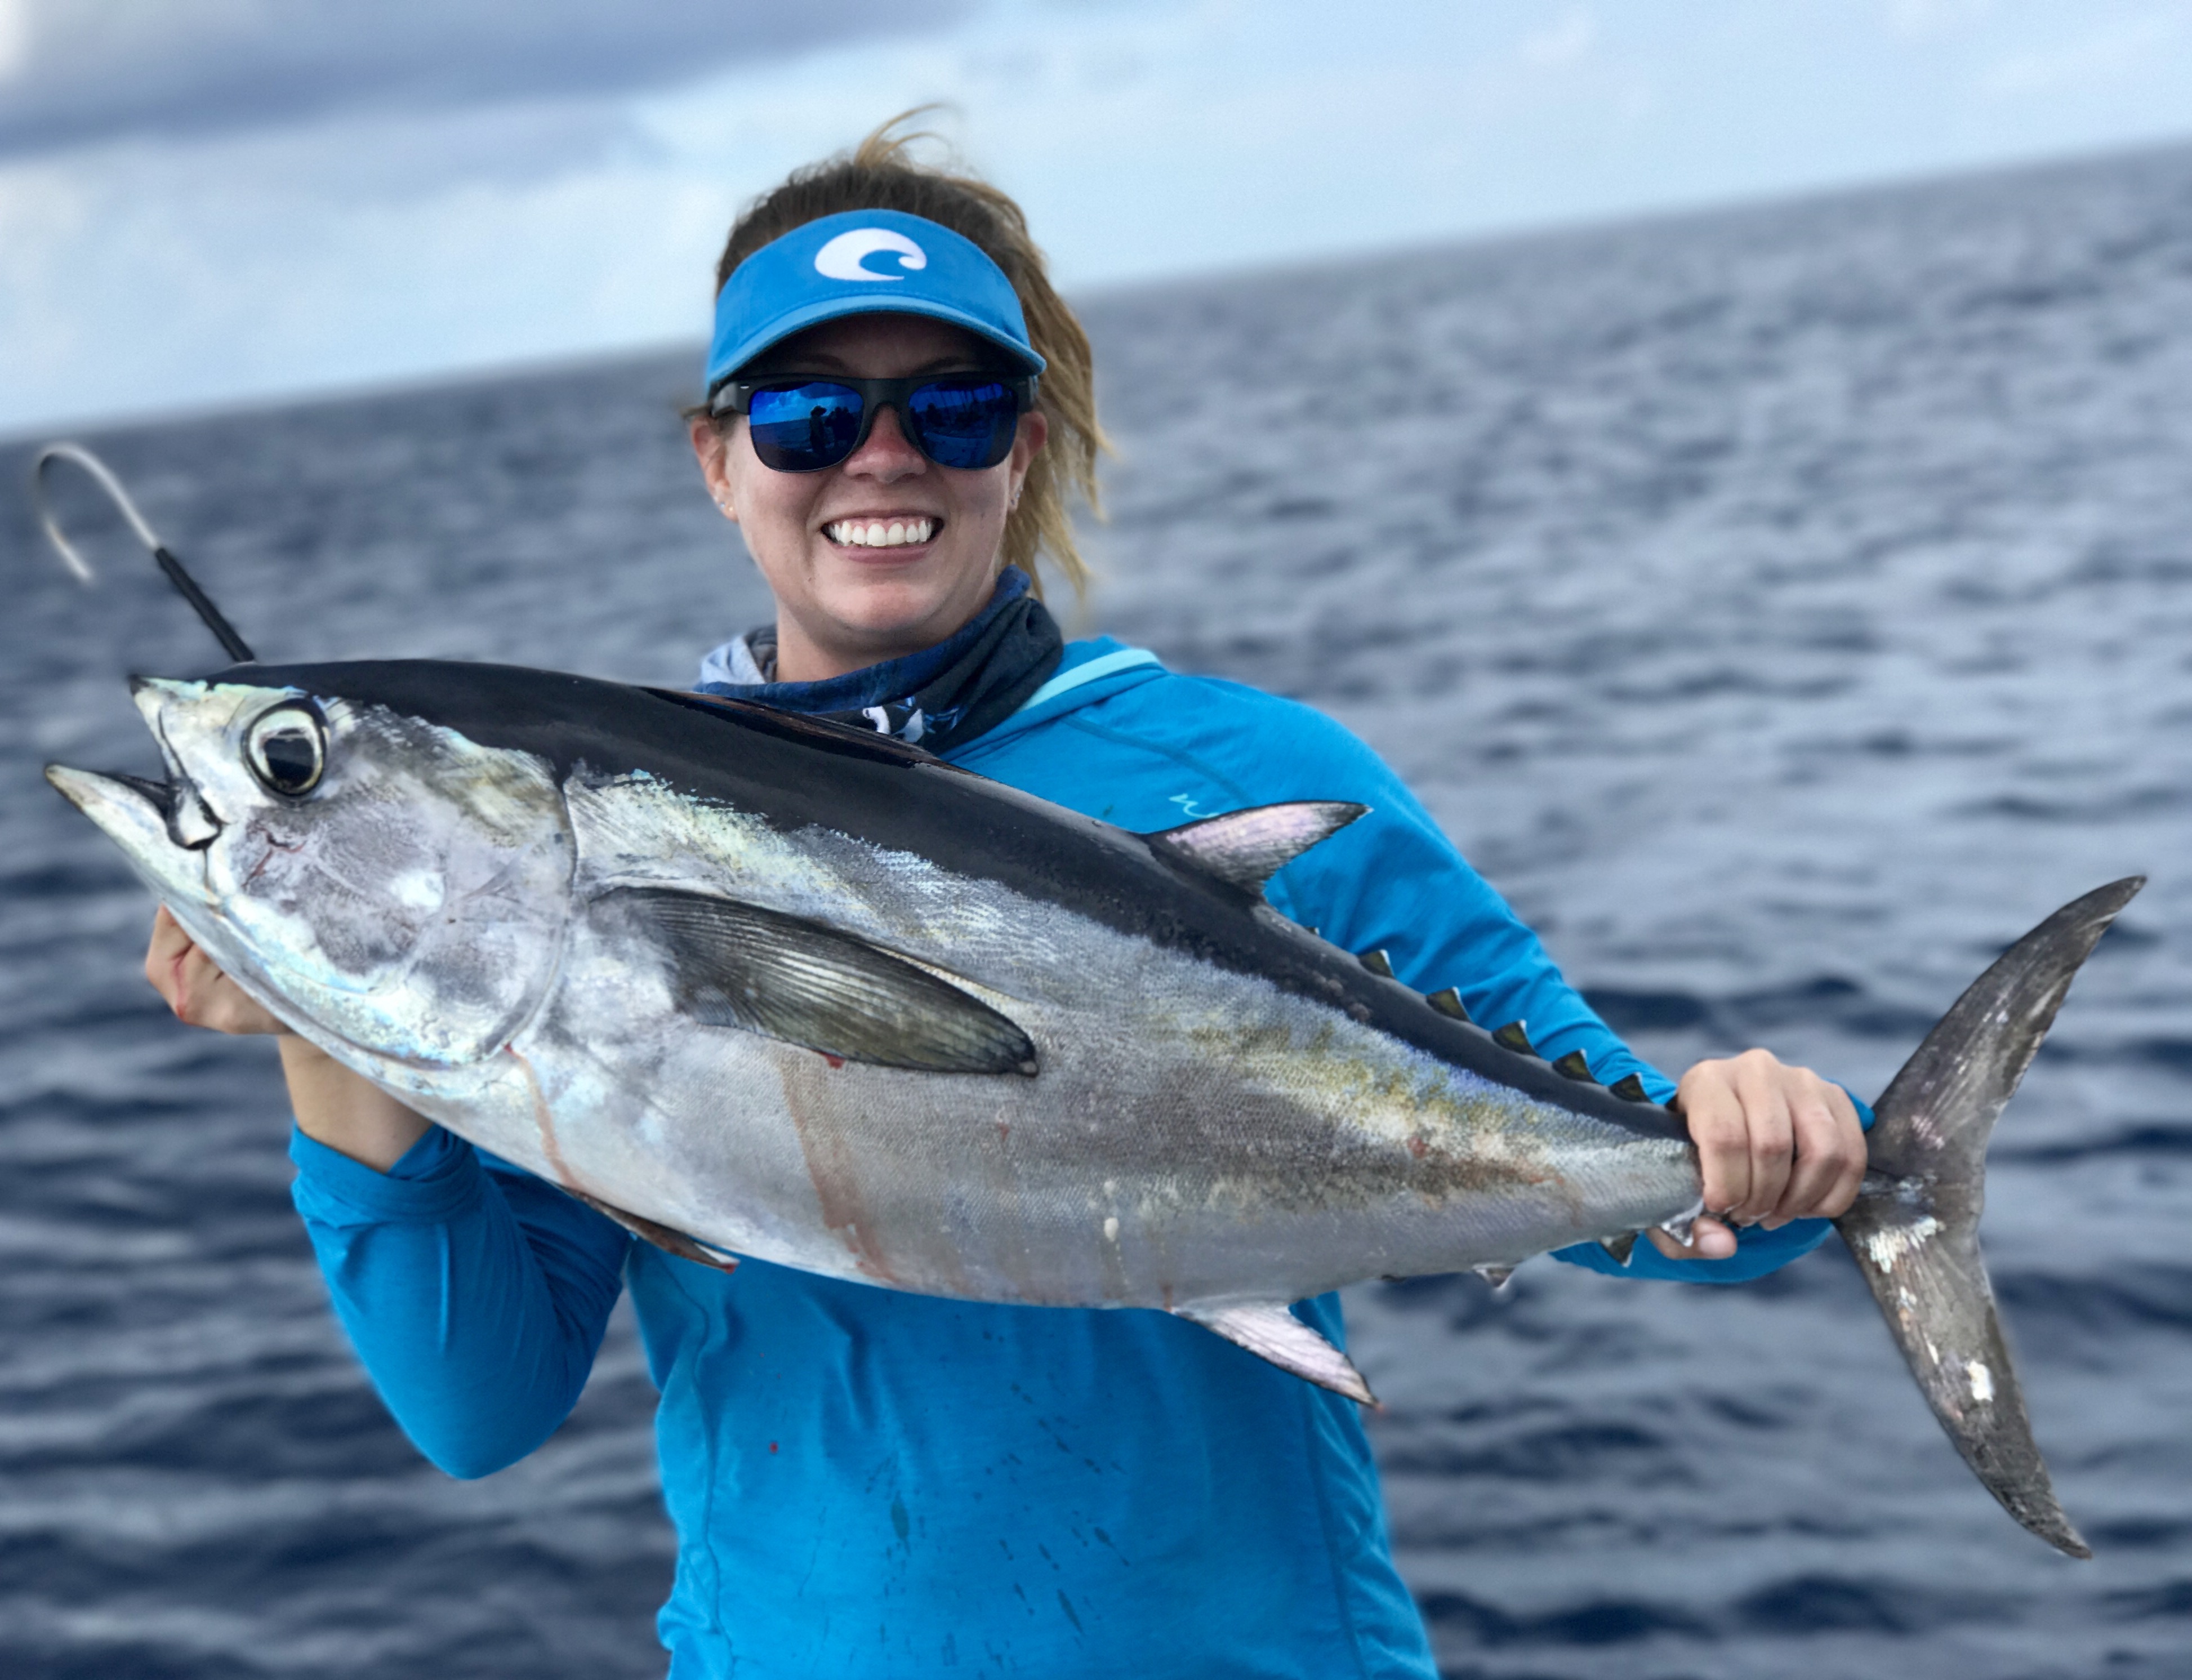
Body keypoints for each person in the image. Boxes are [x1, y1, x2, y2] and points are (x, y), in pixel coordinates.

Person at [145, 118, 1869, 1679]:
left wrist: (1777, 1146)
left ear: (1019, 448)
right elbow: (482, 1409)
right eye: (812, 413)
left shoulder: (1241, 772)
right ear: (719, 459)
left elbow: (1674, 1216)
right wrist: (320, 1017)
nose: (877, 460)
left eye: (948, 407)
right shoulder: (571, 871)